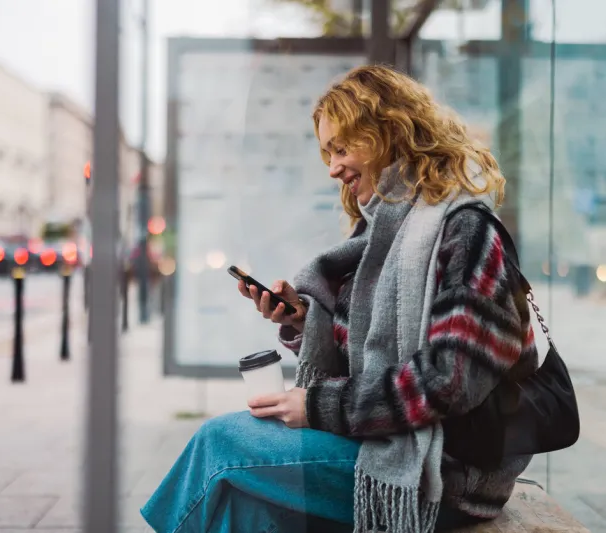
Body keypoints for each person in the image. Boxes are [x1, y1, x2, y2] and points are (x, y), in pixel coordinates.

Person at [141, 65, 539, 533]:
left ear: (390, 133)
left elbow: (449, 379)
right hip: (395, 443)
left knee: (220, 442)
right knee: (248, 504)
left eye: (343, 147)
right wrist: (305, 320)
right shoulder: (384, 233)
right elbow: (368, 347)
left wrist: (315, 406)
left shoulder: (466, 231)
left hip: (448, 471)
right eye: (328, 152)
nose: (333, 168)